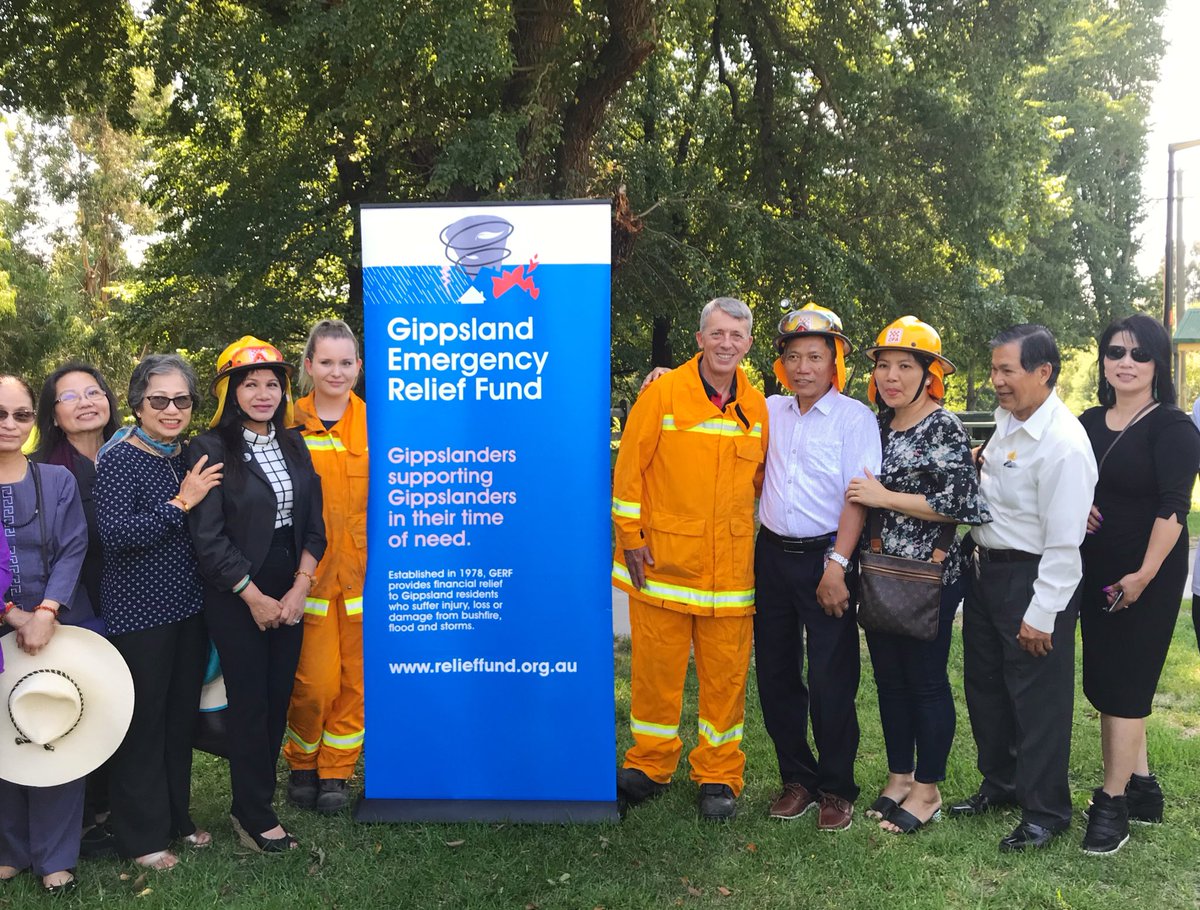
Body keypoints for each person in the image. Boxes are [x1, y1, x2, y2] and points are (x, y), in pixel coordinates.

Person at [612, 297, 768, 821]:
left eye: (737, 336)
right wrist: (629, 537)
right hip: (662, 564)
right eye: (717, 333)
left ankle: (718, 773)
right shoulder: (664, 393)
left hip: (730, 575)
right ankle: (650, 764)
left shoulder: (758, 406)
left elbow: (765, 482)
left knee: (725, 678)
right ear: (700, 338)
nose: (727, 344)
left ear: (748, 344)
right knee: (656, 673)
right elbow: (629, 469)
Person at [950, 324, 1097, 852]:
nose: (996, 381)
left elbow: (1064, 547)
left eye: (1006, 370)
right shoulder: (1008, 421)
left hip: (1032, 579)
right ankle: (1003, 784)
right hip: (986, 570)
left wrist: (1042, 613)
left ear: (1043, 372)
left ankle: (1046, 811)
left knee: (1038, 700)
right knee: (986, 688)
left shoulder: (1063, 444)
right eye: (993, 369)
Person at [844, 317, 991, 834]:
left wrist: (885, 497)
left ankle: (927, 789)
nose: (891, 376)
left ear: (929, 373)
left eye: (905, 366)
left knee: (925, 681)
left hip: (930, 576)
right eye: (884, 365)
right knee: (888, 680)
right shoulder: (876, 424)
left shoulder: (943, 425)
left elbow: (962, 502)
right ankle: (899, 776)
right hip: (880, 571)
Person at [188, 337, 325, 852]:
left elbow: (314, 524)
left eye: (273, 383)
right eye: (250, 384)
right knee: (248, 704)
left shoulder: (294, 442)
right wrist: (255, 597)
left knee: (277, 700)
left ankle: (256, 799)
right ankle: (253, 814)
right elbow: (208, 537)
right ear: (230, 391)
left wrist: (299, 588)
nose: (263, 393)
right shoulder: (210, 448)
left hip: (291, 585)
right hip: (236, 590)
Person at [94, 354, 225, 869]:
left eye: (182, 399)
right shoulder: (121, 457)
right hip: (140, 615)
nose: (172, 409)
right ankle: (142, 838)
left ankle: (177, 820)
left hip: (187, 608)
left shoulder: (181, 453)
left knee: (177, 721)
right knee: (143, 725)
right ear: (137, 404)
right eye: (159, 399)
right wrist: (181, 503)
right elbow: (116, 536)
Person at [1076, 315, 1200, 854]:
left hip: (1148, 571)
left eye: (1139, 354)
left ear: (1157, 364)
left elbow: (1174, 509)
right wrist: (1075, 507)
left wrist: (1144, 576)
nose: (1125, 362)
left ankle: (1113, 805)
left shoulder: (1173, 428)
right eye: (1115, 352)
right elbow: (1062, 479)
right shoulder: (1084, 421)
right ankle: (1143, 787)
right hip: (1095, 568)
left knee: (1126, 685)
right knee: (1107, 681)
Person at [754, 303, 880, 832]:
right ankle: (797, 779)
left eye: (815, 356)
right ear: (781, 363)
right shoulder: (766, 410)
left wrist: (837, 565)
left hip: (827, 557)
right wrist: (666, 377)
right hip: (770, 555)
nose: (803, 367)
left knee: (831, 678)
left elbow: (858, 496)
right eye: (793, 357)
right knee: (776, 674)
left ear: (835, 363)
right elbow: (709, 402)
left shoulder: (855, 418)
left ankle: (835, 788)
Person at [0, 374, 91, 892]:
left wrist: (47, 611)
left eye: (20, 414)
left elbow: (74, 547)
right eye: (0, 413)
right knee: (2, 735)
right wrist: (13, 613)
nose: (10, 424)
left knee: (54, 731)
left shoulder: (56, 482)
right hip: (5, 622)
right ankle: (9, 848)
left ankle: (56, 857)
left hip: (54, 626)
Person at [31, 362, 122, 854]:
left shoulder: (133, 454)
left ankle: (112, 806)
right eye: (70, 396)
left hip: (132, 605)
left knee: (119, 708)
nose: (86, 401)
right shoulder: (42, 470)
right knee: (75, 710)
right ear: (53, 414)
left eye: (94, 391)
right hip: (70, 609)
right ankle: (78, 816)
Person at [283, 320, 367, 813]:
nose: (337, 371)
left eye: (346, 362)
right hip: (306, 576)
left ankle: (337, 771)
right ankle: (302, 762)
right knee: (313, 682)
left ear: (358, 367)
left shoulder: (378, 424)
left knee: (355, 681)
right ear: (309, 365)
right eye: (326, 361)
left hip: (362, 578)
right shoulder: (286, 423)